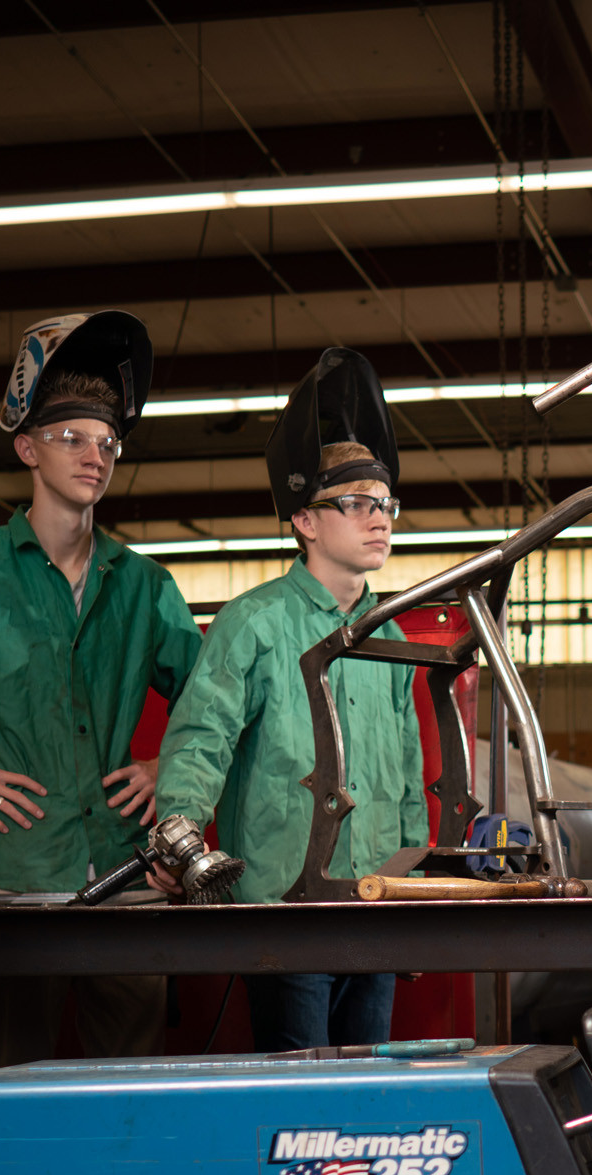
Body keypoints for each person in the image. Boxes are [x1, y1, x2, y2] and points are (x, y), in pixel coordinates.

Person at [0, 310, 205, 1065]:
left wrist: (169, 766)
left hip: (127, 871)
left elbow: (215, 706)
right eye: (71, 436)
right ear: (27, 447)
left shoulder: (146, 586)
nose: (94, 455)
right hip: (12, 876)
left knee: (132, 1088)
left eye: (107, 442)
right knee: (11, 1084)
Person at [157, 348, 428, 1052]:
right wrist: (178, 828)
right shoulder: (255, 623)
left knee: (366, 1101)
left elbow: (407, 780)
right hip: (285, 908)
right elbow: (202, 734)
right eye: (359, 504)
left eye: (386, 504)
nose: (380, 519)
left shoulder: (389, 632)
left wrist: (418, 886)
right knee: (299, 1104)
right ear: (305, 521)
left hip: (375, 906)